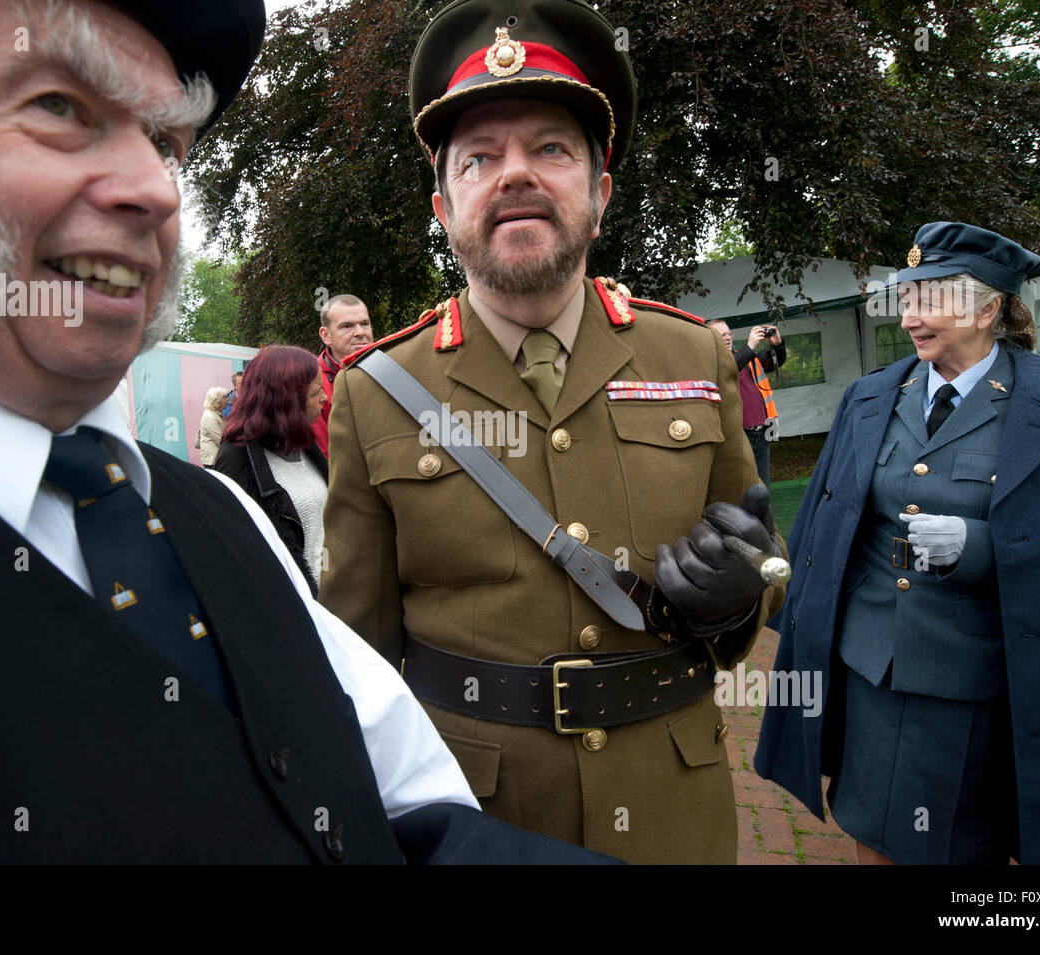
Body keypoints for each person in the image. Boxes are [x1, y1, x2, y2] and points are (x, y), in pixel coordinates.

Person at [0, 0, 610, 865]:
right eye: (57, 106)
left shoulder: (221, 518)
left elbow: (412, 814)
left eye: (167, 143)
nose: (157, 189)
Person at [319, 0, 787, 864]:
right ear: (443, 205)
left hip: (674, 811)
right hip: (477, 820)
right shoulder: (375, 392)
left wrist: (737, 601)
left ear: (600, 195)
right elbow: (357, 659)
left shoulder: (692, 354)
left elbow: (759, 569)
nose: (514, 175)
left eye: (551, 149)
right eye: (479, 159)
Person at [755, 222, 1040, 865]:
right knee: (873, 832)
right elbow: (830, 522)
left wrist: (981, 546)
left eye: (932, 301)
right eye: (908, 300)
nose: (912, 320)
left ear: (988, 310)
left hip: (979, 678)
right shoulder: (869, 398)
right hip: (871, 667)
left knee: (961, 844)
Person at [214, 346, 329, 595]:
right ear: (286, 401)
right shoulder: (237, 461)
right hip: (300, 609)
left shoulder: (304, 444)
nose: (324, 398)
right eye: (315, 392)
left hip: (335, 601)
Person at [707, 320, 786, 484]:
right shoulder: (710, 363)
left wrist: (777, 345)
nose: (727, 338)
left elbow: (775, 361)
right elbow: (728, 369)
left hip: (761, 431)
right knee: (741, 485)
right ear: (710, 338)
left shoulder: (747, 357)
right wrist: (750, 346)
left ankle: (761, 510)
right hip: (736, 435)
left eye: (729, 334)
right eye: (722, 335)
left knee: (762, 483)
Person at [312, 293, 373, 456]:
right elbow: (323, 456)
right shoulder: (310, 383)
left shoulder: (389, 371)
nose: (360, 332)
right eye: (347, 326)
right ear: (326, 335)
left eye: (365, 324)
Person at [196, 386, 227, 467]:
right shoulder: (210, 417)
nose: (227, 399)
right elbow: (220, 439)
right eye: (224, 397)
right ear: (217, 401)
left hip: (217, 457)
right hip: (212, 460)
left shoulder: (217, 414)